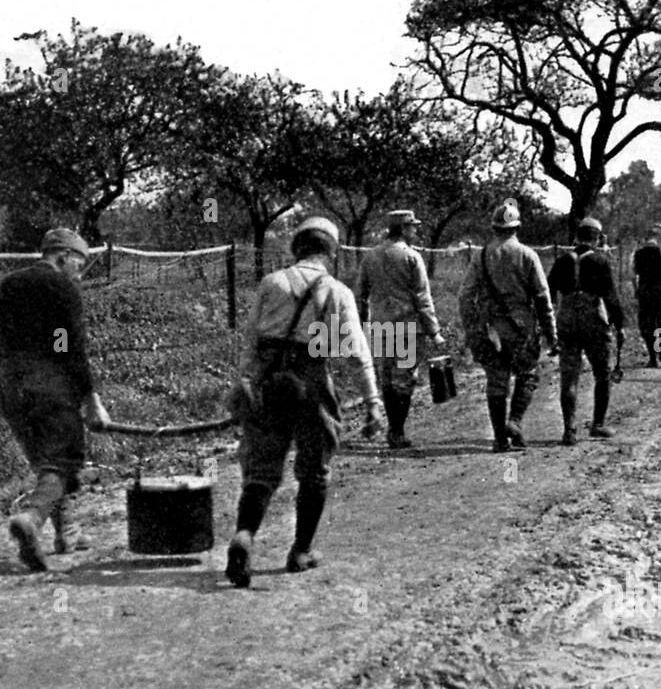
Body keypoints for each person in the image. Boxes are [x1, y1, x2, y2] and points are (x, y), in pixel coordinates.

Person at [224, 215, 383, 588]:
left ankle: (245, 535)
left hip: (268, 383)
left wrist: (243, 383)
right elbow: (357, 353)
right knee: (314, 471)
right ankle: (300, 550)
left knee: (261, 470)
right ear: (331, 252)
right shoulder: (337, 291)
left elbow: (250, 340)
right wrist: (372, 401)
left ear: (297, 247)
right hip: (311, 384)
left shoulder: (271, 282)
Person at [0, 227, 110, 573]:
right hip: (48, 383)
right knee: (65, 461)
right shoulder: (62, 287)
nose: (79, 273)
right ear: (63, 257)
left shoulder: (6, 284)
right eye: (79, 264)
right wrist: (90, 399)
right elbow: (70, 346)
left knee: (46, 462)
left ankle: (67, 534)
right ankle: (31, 517)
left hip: (9, 385)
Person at [459, 199, 557, 452]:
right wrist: (551, 334)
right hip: (522, 328)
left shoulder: (480, 256)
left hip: (490, 328)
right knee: (527, 375)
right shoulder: (527, 255)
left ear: (494, 228)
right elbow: (542, 298)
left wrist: (471, 326)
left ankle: (500, 439)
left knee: (496, 380)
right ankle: (514, 421)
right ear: (516, 228)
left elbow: (465, 295)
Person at [357, 209, 446, 449]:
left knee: (387, 378)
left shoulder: (370, 256)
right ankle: (397, 430)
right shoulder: (411, 257)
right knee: (405, 379)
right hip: (407, 328)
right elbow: (422, 298)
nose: (415, 231)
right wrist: (434, 331)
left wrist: (361, 323)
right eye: (413, 227)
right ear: (404, 228)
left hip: (381, 326)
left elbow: (361, 295)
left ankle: (393, 429)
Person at [547, 216, 623, 443]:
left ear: (577, 236)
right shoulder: (600, 262)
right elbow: (611, 297)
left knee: (569, 376)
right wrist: (619, 325)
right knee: (602, 373)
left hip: (567, 320)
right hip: (593, 320)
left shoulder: (562, 261)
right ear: (597, 238)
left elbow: (549, 292)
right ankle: (598, 424)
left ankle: (569, 429)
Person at [632, 223, 661, 367]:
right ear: (658, 237)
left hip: (645, 291)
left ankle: (652, 358)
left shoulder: (637, 252)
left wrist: (636, 290)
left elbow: (632, 275)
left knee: (647, 324)